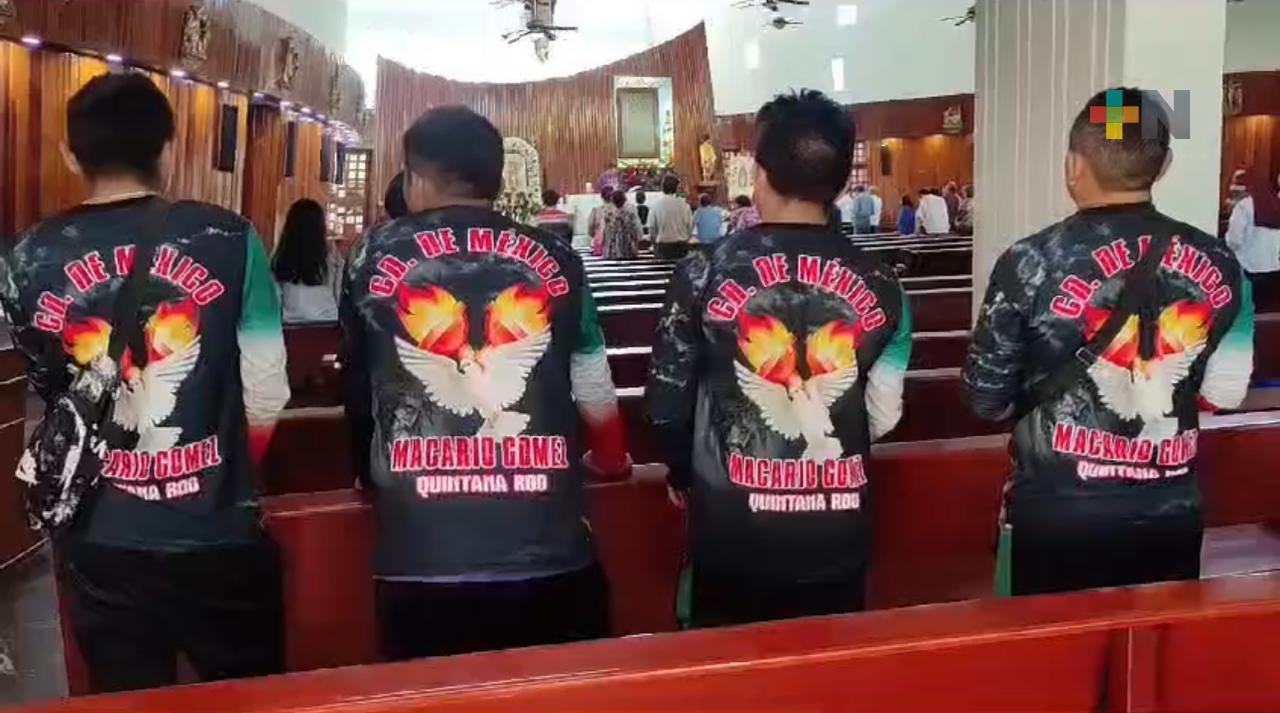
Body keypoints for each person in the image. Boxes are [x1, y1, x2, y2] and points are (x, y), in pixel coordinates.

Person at [0, 73, 290, 692]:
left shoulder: (26, 257)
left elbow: (47, 390)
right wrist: (229, 475)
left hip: (100, 535)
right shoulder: (231, 238)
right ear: (169, 149)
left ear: (70, 155)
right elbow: (267, 389)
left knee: (127, 697)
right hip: (216, 533)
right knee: (247, 697)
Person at [339, 105, 632, 660]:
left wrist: (366, 475)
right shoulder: (559, 258)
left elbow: (358, 385)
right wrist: (613, 459)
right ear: (497, 179)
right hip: (548, 548)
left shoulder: (370, 255)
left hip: (421, 555)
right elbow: (594, 382)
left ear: (415, 179)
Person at [964, 87, 1255, 597]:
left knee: (1055, 645)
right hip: (1168, 510)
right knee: (1152, 644)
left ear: (1073, 165)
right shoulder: (1222, 262)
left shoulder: (1030, 261)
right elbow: (1225, 394)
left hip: (1057, 512)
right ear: (1163, 167)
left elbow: (985, 400)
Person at [646, 89, 912, 628]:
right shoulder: (884, 284)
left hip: (730, 531)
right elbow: (884, 414)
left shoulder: (701, 274)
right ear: (841, 182)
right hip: (835, 531)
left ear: (760, 174)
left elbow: (667, 406)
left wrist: (681, 470)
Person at [273, 198, 343, 323]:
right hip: (328, 325)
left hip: (290, 326)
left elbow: (275, 299)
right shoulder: (332, 255)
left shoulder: (280, 256)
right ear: (321, 226)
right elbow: (340, 294)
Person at [1225, 174, 1280, 277]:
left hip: (1251, 268)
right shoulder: (1275, 204)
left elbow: (1234, 239)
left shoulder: (1243, 206)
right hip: (1275, 267)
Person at [651, 174, 693, 260]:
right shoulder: (684, 205)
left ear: (662, 188)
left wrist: (655, 241)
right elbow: (690, 226)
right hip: (681, 246)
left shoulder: (655, 205)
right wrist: (686, 239)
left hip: (663, 247)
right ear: (676, 188)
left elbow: (652, 228)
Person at [602, 189, 643, 259]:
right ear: (624, 199)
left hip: (611, 250)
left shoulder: (607, 211)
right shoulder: (631, 210)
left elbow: (603, 230)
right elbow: (637, 229)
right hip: (628, 249)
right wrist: (638, 240)